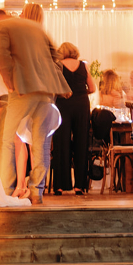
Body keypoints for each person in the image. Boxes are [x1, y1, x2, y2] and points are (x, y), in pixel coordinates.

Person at [0, 2, 70, 205]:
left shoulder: (3, 27)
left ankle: (6, 190)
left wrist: (10, 84)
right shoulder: (38, 30)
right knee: (41, 143)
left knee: (8, 140)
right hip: (46, 93)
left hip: (23, 90)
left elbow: (3, 58)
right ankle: (37, 191)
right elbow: (57, 56)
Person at [51, 42, 95, 195]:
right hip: (82, 104)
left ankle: (60, 185)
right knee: (81, 142)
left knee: (61, 142)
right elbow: (92, 88)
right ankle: (80, 186)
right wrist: (80, 94)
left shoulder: (58, 65)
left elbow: (53, 87)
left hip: (63, 104)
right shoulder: (83, 65)